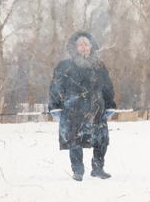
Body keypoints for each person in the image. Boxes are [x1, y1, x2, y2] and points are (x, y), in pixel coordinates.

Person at [48, 32, 116, 181]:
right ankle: (78, 170)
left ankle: (98, 169)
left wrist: (110, 104)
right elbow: (55, 86)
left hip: (96, 107)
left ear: (91, 46)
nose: (84, 47)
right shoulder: (65, 66)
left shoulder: (99, 65)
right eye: (80, 45)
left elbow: (107, 87)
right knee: (75, 140)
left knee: (101, 139)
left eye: (86, 44)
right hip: (74, 108)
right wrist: (54, 106)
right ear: (75, 47)